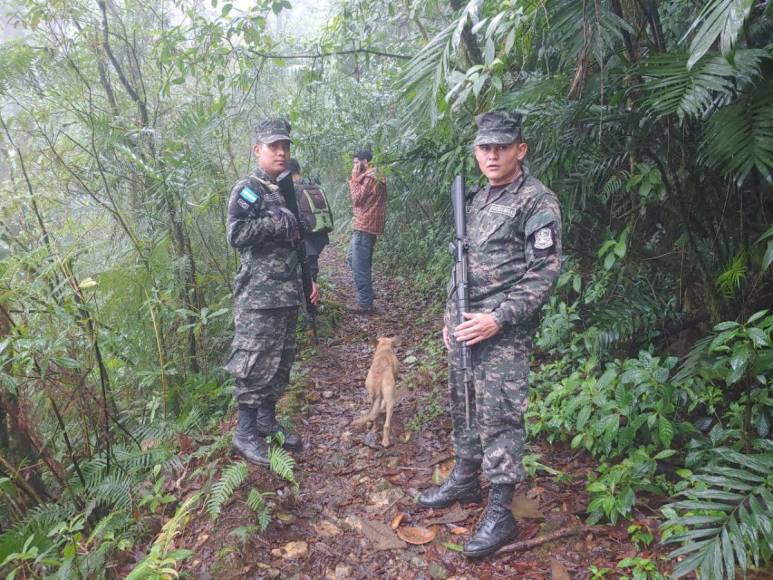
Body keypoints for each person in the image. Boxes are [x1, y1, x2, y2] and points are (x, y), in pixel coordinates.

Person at [417, 111, 562, 559]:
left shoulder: (536, 201)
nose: (492, 155)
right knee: (463, 403)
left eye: (501, 146)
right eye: (484, 147)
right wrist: (449, 318)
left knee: (499, 415)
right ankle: (465, 476)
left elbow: (544, 274)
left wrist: (497, 318)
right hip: (464, 325)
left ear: (521, 149)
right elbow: (462, 266)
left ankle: (501, 508)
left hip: (503, 332)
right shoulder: (478, 200)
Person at [224, 118, 320, 465]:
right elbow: (235, 235)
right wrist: (276, 224)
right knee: (254, 362)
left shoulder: (284, 189)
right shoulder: (248, 189)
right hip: (259, 297)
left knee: (280, 362)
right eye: (273, 146)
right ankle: (245, 431)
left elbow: (298, 244)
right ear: (258, 150)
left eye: (286, 146)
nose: (281, 152)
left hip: (288, 293)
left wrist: (310, 281)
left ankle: (266, 420)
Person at [347, 148, 387, 314]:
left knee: (359, 264)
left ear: (365, 162)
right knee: (352, 259)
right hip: (365, 226)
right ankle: (368, 294)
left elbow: (357, 199)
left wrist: (354, 179)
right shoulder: (374, 175)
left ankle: (365, 303)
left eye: (357, 162)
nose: (355, 166)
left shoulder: (371, 177)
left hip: (365, 226)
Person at [289, 158, 333, 283]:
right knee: (311, 268)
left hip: (306, 236)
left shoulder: (292, 189)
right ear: (298, 169)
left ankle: (310, 298)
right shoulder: (313, 185)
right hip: (321, 234)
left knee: (308, 273)